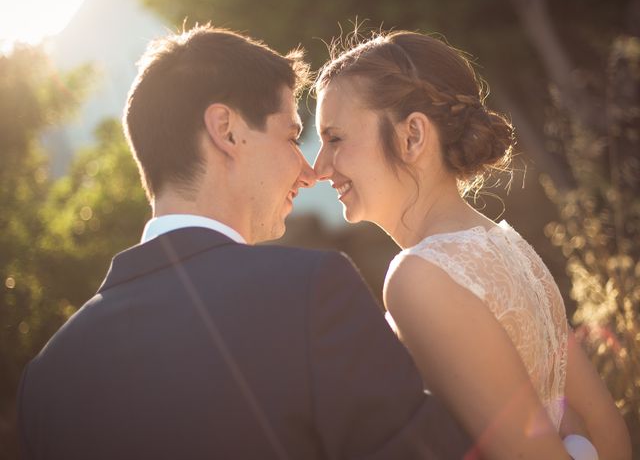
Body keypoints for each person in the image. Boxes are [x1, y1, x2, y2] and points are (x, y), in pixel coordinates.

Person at [17, 25, 473, 459]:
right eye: (292, 137)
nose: (309, 171)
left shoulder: (46, 380)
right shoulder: (311, 294)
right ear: (227, 130)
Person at [313, 30, 631, 460]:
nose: (320, 167)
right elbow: (606, 429)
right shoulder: (510, 247)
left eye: (334, 138)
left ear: (412, 137)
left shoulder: (421, 277)